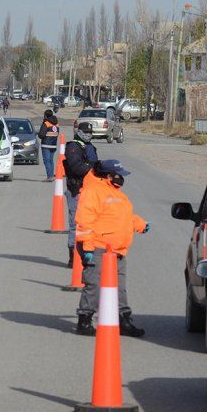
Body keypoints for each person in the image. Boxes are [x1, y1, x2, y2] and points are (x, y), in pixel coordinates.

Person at [74, 160, 149, 337]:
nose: (122, 178)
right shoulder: (92, 192)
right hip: (98, 247)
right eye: (118, 174)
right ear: (108, 176)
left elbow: (124, 217)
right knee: (94, 284)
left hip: (118, 250)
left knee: (120, 287)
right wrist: (87, 248)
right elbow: (84, 221)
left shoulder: (116, 192)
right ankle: (84, 320)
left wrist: (141, 225)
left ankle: (123, 320)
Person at [63, 121, 98, 267]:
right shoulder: (73, 146)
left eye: (90, 132)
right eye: (86, 132)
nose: (88, 135)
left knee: (90, 224)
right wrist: (92, 169)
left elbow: (95, 164)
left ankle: (87, 253)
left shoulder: (89, 147)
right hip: (76, 189)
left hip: (91, 191)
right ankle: (73, 256)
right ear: (80, 132)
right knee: (75, 224)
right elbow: (76, 167)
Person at [37, 109, 59, 182]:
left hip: (46, 145)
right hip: (53, 145)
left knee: (46, 161)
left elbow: (41, 135)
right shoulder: (56, 124)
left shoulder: (46, 123)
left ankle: (49, 176)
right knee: (51, 161)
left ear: (45, 115)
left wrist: (38, 133)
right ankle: (51, 175)